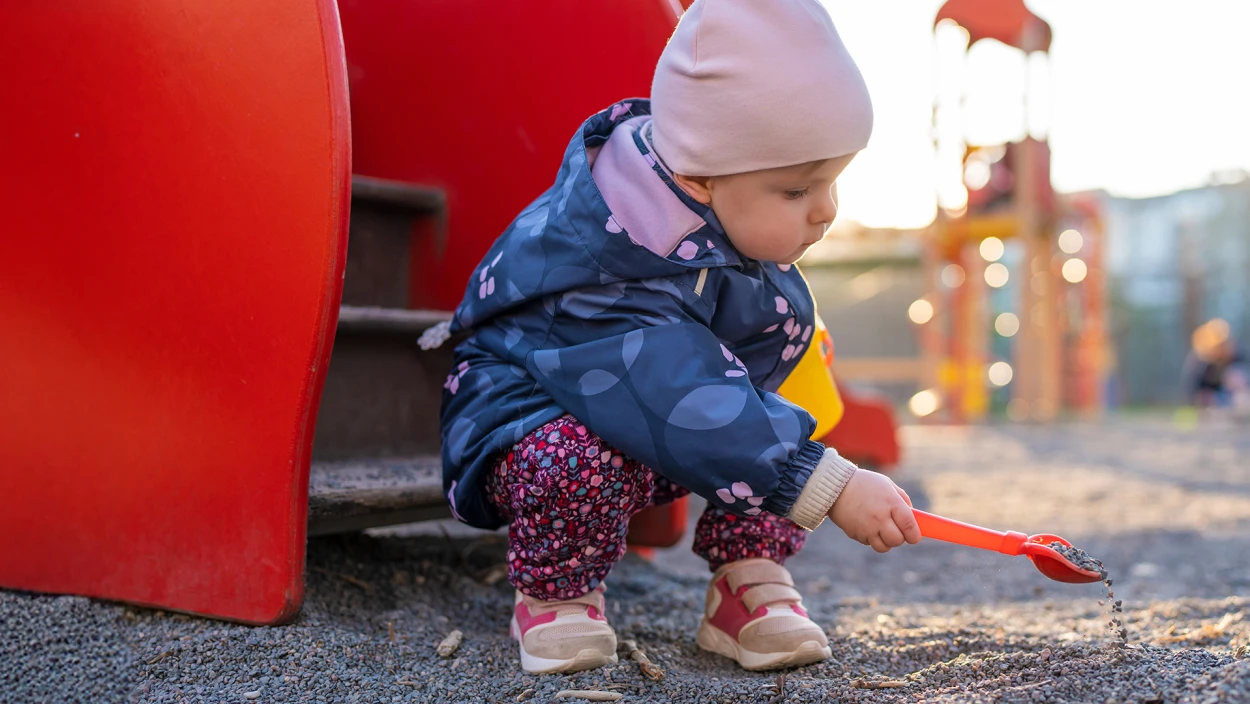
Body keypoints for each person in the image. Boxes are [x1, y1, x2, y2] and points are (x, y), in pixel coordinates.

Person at [419, 0, 920, 674]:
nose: (827, 210)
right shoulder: (604, 260)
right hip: (528, 418)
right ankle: (557, 593)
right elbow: (674, 388)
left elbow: (725, 394)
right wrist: (828, 484)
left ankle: (746, 580)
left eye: (832, 181)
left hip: (667, 419)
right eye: (799, 189)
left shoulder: (724, 236)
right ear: (701, 176)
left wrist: (802, 443)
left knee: (789, 394)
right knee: (587, 453)